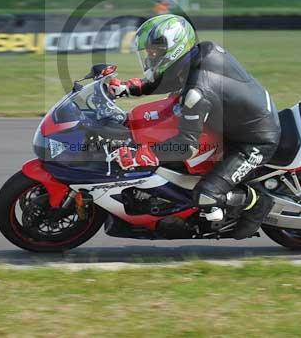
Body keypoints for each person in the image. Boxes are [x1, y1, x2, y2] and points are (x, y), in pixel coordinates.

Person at [106, 14, 281, 239]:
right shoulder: (200, 53)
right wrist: (127, 88)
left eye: (154, 51)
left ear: (174, 48)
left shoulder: (197, 93)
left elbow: (185, 146)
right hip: (234, 123)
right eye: (148, 51)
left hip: (254, 140)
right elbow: (168, 78)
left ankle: (256, 202)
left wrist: (145, 154)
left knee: (206, 195)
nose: (150, 56)